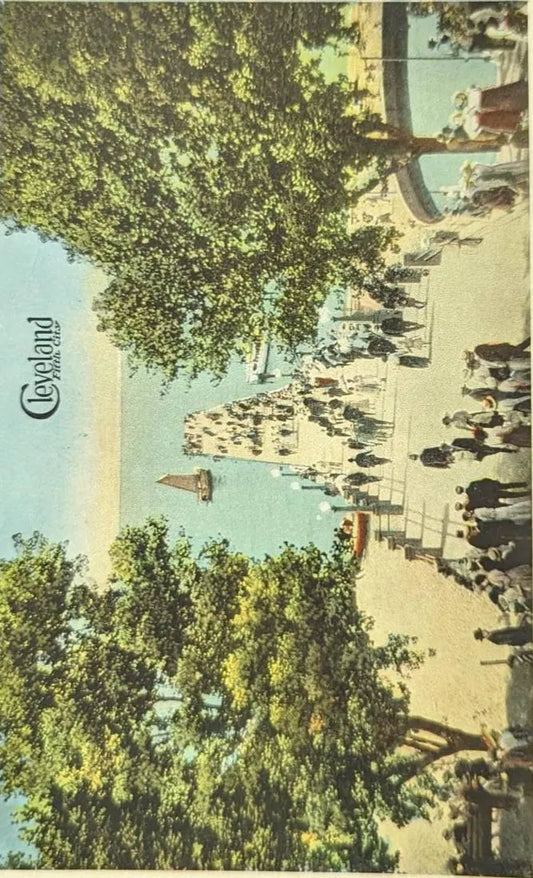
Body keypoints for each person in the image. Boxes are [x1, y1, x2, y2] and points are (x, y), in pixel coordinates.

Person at [456, 478, 530, 508]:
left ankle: (527, 493)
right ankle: (523, 484)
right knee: (509, 486)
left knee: (511, 495)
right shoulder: (472, 484)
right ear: (462, 487)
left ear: (461, 493)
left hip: (493, 495)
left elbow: (482, 500)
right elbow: (484, 480)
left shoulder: (471, 496)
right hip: (493, 487)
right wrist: (493, 481)